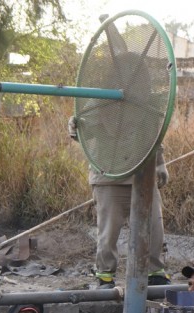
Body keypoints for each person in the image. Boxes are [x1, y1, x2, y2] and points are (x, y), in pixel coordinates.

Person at [68, 115, 171, 290]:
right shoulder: (101, 104)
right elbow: (83, 133)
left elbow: (154, 137)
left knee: (154, 227)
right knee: (109, 231)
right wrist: (74, 126)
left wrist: (160, 164)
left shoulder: (145, 103)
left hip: (143, 174)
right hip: (108, 176)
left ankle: (155, 272)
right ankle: (105, 275)